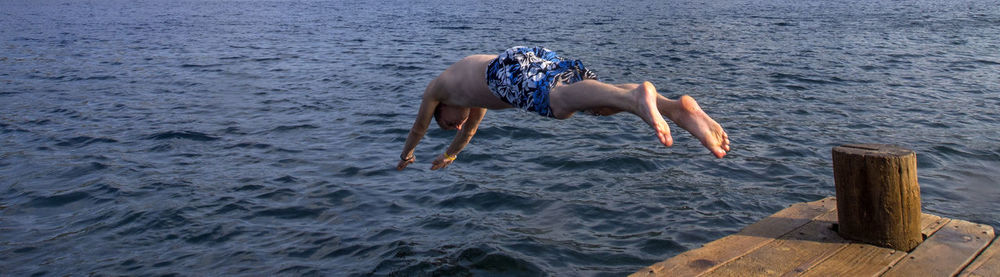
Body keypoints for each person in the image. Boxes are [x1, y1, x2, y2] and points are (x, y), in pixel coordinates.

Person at [397, 46, 730, 171]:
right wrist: (451, 155)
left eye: (446, 123)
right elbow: (467, 133)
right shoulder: (473, 101)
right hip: (526, 58)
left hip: (505, 69)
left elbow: (418, 128)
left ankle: (637, 97)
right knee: (597, 104)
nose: (453, 126)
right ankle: (675, 108)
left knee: (557, 104)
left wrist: (407, 155)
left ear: (441, 108)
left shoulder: (438, 88)